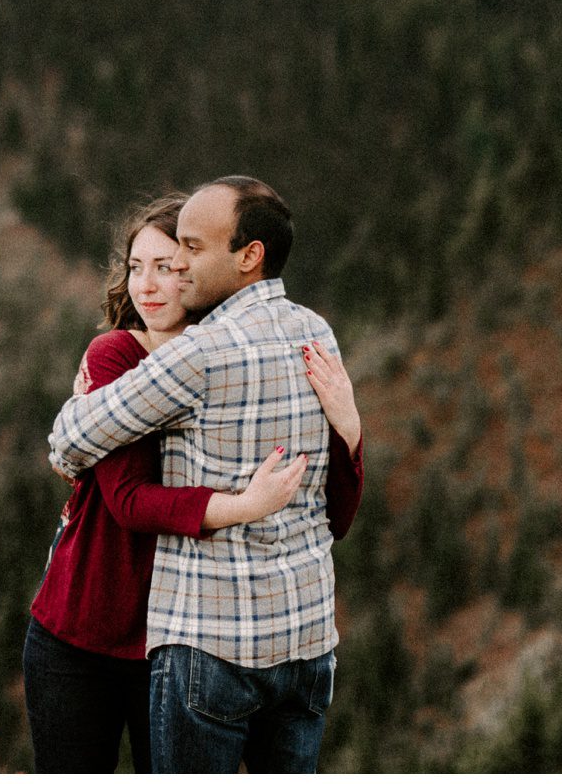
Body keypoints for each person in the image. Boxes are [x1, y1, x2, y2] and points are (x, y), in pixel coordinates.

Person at [24, 193, 363, 773]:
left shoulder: (231, 359)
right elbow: (125, 498)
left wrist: (350, 429)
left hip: (180, 635)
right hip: (87, 630)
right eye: (137, 267)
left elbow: (325, 509)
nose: (150, 285)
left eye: (172, 264)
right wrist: (242, 505)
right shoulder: (117, 355)